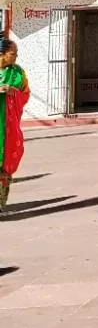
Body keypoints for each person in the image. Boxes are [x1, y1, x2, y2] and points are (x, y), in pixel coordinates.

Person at [0, 38, 29, 214]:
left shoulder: (18, 73)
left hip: (8, 126)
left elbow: (25, 94)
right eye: (13, 54)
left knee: (6, 162)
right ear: (1, 54)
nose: (16, 57)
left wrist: (13, 92)